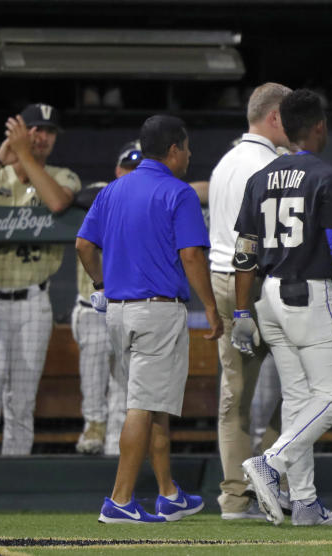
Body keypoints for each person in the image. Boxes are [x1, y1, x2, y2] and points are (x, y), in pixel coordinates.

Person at [233, 89, 332, 527]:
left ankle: (305, 502)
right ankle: (269, 463)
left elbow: (245, 252)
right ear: (319, 126)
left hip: (270, 297)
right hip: (309, 295)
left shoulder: (259, 178)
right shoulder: (327, 176)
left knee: (299, 402)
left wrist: (242, 312)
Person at [77, 115, 223, 523]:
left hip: (118, 312)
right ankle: (120, 500)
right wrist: (210, 307)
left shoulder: (113, 190)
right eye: (188, 148)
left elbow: (84, 245)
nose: (190, 155)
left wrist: (102, 282)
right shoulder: (178, 192)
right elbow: (192, 255)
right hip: (157, 311)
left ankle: (168, 493)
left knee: (152, 401)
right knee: (143, 404)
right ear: (174, 150)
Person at [0, 103, 81, 455]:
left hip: (34, 301)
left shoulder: (63, 175)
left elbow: (56, 203)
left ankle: (15, 466)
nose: (42, 137)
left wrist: (24, 153)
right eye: (34, 129)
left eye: (49, 131)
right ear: (18, 131)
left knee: (21, 396)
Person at [207, 82, 291, 520]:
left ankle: (235, 500)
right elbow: (260, 240)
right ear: (275, 118)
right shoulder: (271, 166)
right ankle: (275, 478)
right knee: (307, 386)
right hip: (258, 283)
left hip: (222, 279)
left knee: (234, 397)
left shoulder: (226, 162)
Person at [72, 142, 144, 456]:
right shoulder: (103, 192)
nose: (132, 176)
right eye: (129, 168)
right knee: (94, 370)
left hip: (130, 306)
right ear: (118, 170)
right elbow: (81, 197)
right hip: (93, 305)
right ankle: (94, 424)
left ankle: (116, 441)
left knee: (124, 382)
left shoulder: (154, 202)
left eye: (140, 169)